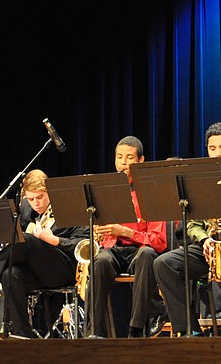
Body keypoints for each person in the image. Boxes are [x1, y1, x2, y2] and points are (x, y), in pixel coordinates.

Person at [0, 169, 89, 338]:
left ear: (49, 192)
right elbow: (15, 236)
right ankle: (23, 334)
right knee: (9, 274)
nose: (36, 203)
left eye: (40, 197)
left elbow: (85, 243)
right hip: (36, 269)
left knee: (25, 240)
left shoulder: (69, 205)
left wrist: (55, 240)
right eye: (31, 198)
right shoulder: (26, 207)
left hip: (64, 268)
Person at [153, 122, 221, 337]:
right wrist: (204, 239)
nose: (217, 153)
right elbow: (193, 224)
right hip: (212, 244)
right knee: (164, 264)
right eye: (212, 149)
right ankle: (189, 331)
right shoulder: (203, 179)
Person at [86, 136, 167, 338]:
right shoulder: (105, 190)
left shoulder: (152, 191)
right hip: (112, 250)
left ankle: (136, 328)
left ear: (141, 161)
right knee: (100, 261)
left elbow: (159, 241)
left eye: (129, 158)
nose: (123, 163)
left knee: (147, 255)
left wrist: (126, 232)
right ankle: (93, 332)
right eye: (119, 157)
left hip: (140, 250)